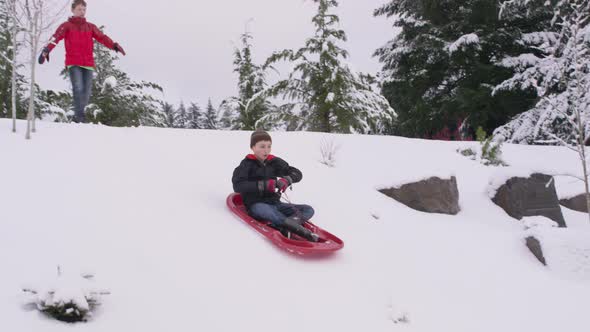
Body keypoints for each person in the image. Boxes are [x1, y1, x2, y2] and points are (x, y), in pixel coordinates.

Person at [38, 0, 126, 123]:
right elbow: (56, 37)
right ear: (73, 10)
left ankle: (77, 116)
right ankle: (80, 118)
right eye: (79, 9)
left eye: (84, 9)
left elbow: (102, 37)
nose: (82, 12)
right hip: (73, 63)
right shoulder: (66, 26)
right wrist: (46, 50)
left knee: (86, 92)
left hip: (88, 64)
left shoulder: (90, 27)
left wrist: (114, 45)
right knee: (78, 87)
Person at [232, 129, 319, 242]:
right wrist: (264, 185)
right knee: (267, 211)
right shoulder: (246, 165)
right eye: (262, 146)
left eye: (269, 146)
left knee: (308, 209)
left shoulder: (274, 162)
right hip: (256, 205)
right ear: (253, 147)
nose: (266, 150)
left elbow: (297, 173)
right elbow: (238, 185)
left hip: (276, 204)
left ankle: (285, 225)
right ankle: (303, 232)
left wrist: (287, 180)